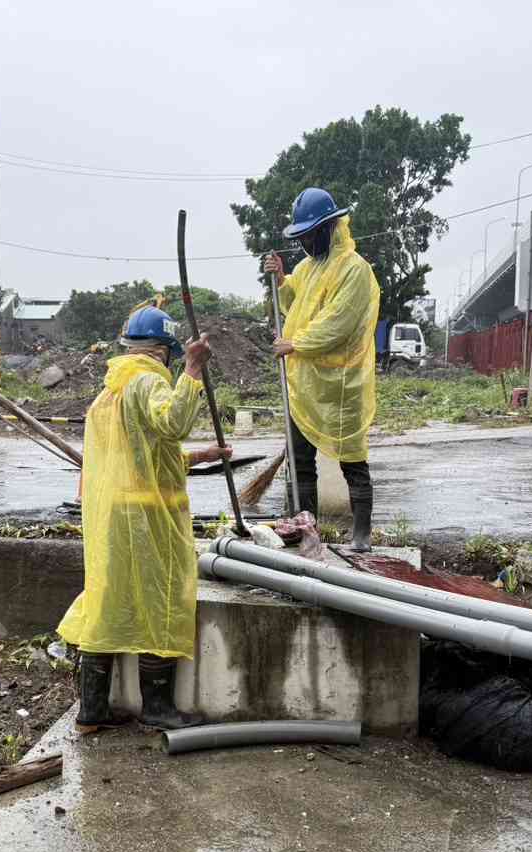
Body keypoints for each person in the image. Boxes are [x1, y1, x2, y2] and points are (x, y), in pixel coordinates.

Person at [57, 305, 231, 733]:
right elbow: (172, 423)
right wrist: (193, 369)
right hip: (149, 516)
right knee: (164, 600)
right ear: (165, 350)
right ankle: (158, 708)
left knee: (108, 601)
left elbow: (142, 454)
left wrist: (198, 458)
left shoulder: (110, 391)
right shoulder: (149, 379)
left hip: (112, 516)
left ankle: (91, 711)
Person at [263, 186, 382, 551]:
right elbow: (294, 304)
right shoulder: (306, 268)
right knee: (300, 460)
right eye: (300, 237)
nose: (304, 243)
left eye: (310, 235)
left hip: (342, 383)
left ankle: (361, 532)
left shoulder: (355, 270)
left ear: (330, 227)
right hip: (306, 381)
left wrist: (296, 344)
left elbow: (338, 322)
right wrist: (282, 281)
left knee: (352, 460)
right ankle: (304, 526)